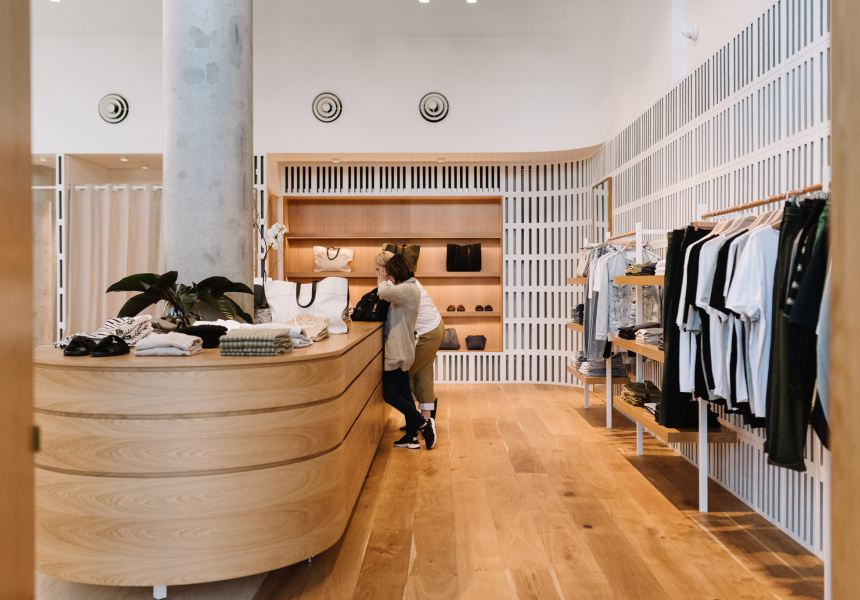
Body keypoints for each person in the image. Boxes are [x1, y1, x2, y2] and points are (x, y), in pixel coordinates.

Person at [374, 252, 444, 422]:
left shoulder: (403, 287)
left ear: (387, 269)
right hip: (433, 328)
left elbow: (382, 293)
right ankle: (426, 418)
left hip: (427, 333)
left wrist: (382, 282)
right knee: (423, 373)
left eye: (378, 270)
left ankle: (419, 421)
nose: (377, 274)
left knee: (405, 375)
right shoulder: (405, 282)